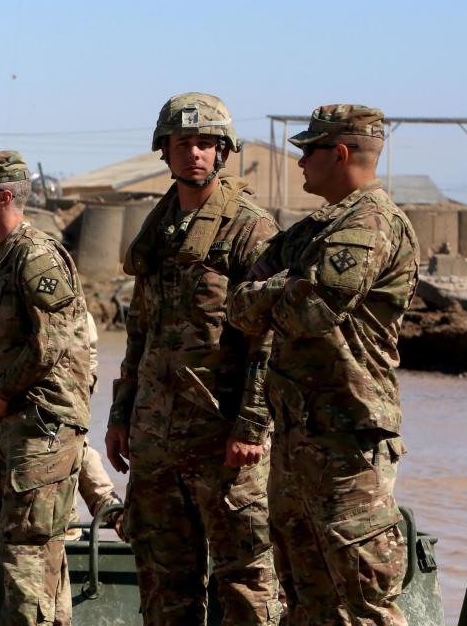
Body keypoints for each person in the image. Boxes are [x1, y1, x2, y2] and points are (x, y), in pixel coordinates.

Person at [227, 104, 419, 625]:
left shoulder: (371, 222)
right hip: (297, 435)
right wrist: (281, 290)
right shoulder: (310, 230)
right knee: (305, 599)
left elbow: (312, 307)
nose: (299, 162)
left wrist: (277, 292)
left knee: (364, 601)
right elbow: (239, 304)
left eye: (308, 151)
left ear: (339, 153)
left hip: (347, 438)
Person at [105, 92, 281, 625]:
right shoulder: (157, 230)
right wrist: (120, 415)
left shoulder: (249, 228)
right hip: (156, 437)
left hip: (222, 440)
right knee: (162, 579)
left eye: (207, 143)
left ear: (224, 151)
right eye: (184, 143)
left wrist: (251, 425)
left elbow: (268, 338)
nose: (195, 154)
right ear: (164, 150)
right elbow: (140, 330)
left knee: (246, 580)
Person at [0, 150, 92, 626]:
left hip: (42, 425)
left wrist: (0, 397)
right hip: (18, 421)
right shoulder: (0, 259)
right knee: (38, 558)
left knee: (27, 559)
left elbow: (50, 345)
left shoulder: (34, 256)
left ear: (4, 197)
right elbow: (2, 344)